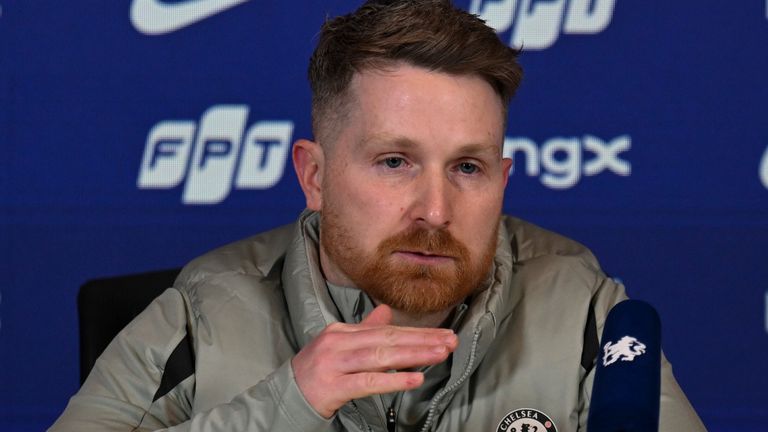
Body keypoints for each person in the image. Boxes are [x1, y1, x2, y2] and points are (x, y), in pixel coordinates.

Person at [50, 1, 706, 431]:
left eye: (468, 168)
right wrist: (290, 402)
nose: (435, 209)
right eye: (395, 162)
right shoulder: (199, 314)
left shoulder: (585, 310)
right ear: (313, 175)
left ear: (503, 182)